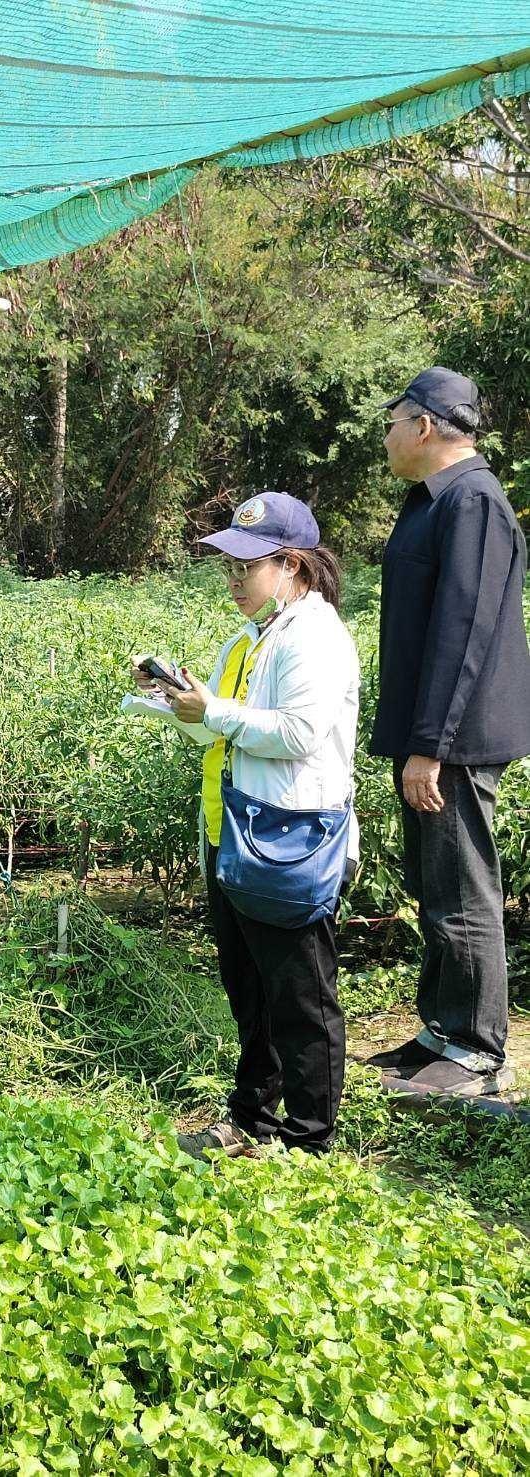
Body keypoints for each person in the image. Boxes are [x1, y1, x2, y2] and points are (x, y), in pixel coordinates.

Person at [123, 492, 359, 1156]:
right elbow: (221, 728)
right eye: (227, 566)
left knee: (302, 1002)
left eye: (245, 567)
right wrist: (172, 703)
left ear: (291, 565)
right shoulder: (253, 638)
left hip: (290, 842)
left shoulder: (315, 636)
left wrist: (215, 713)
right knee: (252, 993)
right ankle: (252, 1121)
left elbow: (297, 733)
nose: (232, 580)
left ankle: (310, 1144)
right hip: (236, 837)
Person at [367, 368, 530, 1099]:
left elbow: (464, 633)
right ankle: (441, 1029)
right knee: (435, 888)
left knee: (464, 889)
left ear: (426, 426)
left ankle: (473, 1049)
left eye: (395, 418)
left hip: (454, 742)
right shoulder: (432, 503)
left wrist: (431, 744)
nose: (389, 433)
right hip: (430, 738)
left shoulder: (474, 503)